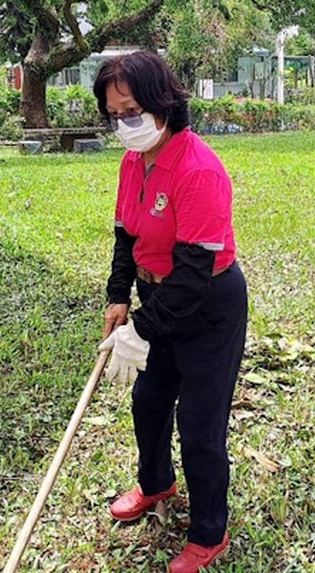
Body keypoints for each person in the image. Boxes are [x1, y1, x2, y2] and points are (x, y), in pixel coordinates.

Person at [94, 51, 247, 573]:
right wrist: (120, 298)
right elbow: (125, 236)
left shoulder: (198, 169)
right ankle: (157, 482)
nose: (124, 125)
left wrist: (142, 327)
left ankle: (209, 531)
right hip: (155, 296)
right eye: (114, 115)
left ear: (162, 103)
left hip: (207, 306)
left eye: (132, 110)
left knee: (200, 426)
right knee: (149, 401)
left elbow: (193, 276)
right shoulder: (133, 161)